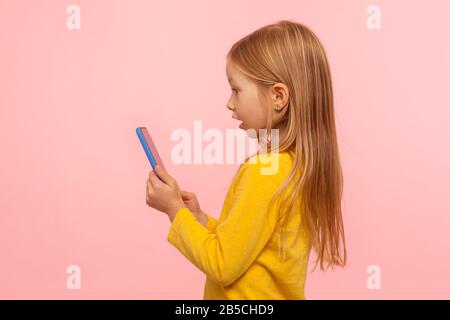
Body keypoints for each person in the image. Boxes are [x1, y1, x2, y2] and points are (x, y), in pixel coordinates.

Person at [145, 19, 347, 299]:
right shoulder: (291, 167)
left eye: (236, 89)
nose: (229, 102)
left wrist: (174, 212)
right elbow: (252, 248)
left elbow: (222, 264)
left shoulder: (264, 172)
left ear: (278, 97)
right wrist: (199, 219)